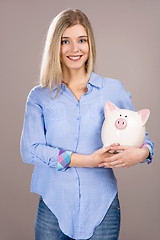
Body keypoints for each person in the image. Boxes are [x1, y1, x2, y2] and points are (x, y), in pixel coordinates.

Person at [20, 9, 154, 240]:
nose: (75, 49)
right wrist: (88, 161)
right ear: (55, 47)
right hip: (53, 206)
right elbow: (30, 150)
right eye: (65, 41)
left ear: (90, 43)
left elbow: (143, 137)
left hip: (102, 207)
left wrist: (141, 154)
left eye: (82, 40)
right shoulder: (39, 97)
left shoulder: (113, 90)